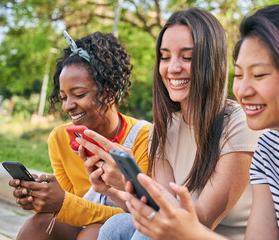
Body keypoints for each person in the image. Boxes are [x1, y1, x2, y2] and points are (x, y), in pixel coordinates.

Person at [121, 4, 279, 240]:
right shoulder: (269, 149)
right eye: (240, 75)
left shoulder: (242, 127)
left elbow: (199, 220)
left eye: (259, 75)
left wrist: (190, 232)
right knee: (117, 226)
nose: (242, 90)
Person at [96, 8, 264, 240]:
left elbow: (199, 221)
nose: (172, 67)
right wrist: (115, 189)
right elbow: (160, 212)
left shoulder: (239, 123)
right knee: (115, 226)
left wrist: (129, 186)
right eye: (165, 56)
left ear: (211, 61)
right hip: (178, 231)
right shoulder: (164, 128)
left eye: (187, 57)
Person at [8, 31, 151, 240]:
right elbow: (71, 205)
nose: (68, 106)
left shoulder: (144, 137)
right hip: (83, 225)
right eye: (64, 97)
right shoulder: (60, 138)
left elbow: (143, 213)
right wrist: (42, 198)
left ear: (109, 92)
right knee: (36, 226)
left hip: (128, 227)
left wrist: (64, 202)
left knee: (93, 234)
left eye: (79, 94)